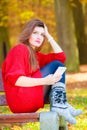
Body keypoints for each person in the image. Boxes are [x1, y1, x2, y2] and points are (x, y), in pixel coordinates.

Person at [2, 18, 82, 124]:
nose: (39, 37)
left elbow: (61, 57)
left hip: (28, 102)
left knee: (58, 64)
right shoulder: (20, 49)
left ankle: (60, 104)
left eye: (42, 35)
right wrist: (44, 81)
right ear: (28, 33)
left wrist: (49, 36)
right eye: (35, 33)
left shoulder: (36, 56)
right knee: (56, 65)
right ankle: (60, 104)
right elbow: (16, 79)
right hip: (21, 101)